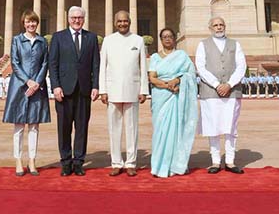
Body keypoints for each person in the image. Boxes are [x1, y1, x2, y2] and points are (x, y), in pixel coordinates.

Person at [48, 6, 100, 177]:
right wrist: (55, 85)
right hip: (63, 89)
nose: (77, 20)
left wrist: (95, 86)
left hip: (84, 89)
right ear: (68, 18)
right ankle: (65, 161)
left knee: (82, 128)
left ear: (83, 19)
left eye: (80, 17)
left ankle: (78, 161)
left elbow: (95, 65)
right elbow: (53, 64)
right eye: (73, 18)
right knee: (64, 128)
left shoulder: (91, 38)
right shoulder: (58, 37)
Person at [99, 10, 149, 177]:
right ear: (115, 23)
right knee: (114, 129)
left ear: (130, 22)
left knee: (132, 128)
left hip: (132, 90)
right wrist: (103, 90)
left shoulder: (138, 40)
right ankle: (116, 162)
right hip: (112, 90)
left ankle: (131, 162)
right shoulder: (108, 40)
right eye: (119, 21)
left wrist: (143, 90)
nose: (122, 24)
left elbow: (143, 67)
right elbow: (102, 67)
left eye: (125, 21)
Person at [195, 17, 247, 175]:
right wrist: (217, 84)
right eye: (215, 25)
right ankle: (215, 161)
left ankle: (230, 161)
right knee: (213, 127)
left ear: (225, 26)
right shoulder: (202, 44)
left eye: (221, 25)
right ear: (210, 28)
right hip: (211, 91)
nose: (219, 27)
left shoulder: (235, 44)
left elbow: (241, 66)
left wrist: (229, 84)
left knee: (231, 126)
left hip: (231, 91)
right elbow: (200, 67)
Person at [2, 10, 51, 176]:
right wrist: (27, 81)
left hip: (37, 86)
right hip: (20, 87)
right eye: (28, 22)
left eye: (34, 22)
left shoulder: (42, 41)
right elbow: (15, 62)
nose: (31, 25)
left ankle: (32, 160)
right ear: (23, 23)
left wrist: (37, 82)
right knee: (19, 125)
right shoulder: (17, 40)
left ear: (37, 23)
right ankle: (18, 160)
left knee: (34, 126)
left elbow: (45, 63)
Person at [148, 27, 198, 178]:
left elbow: (190, 74)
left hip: (177, 95)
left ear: (174, 39)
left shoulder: (181, 56)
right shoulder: (155, 57)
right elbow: (152, 78)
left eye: (170, 36)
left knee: (176, 129)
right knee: (160, 131)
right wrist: (168, 85)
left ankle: (175, 164)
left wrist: (177, 81)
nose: (167, 39)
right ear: (161, 40)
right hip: (162, 96)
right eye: (164, 37)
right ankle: (159, 166)